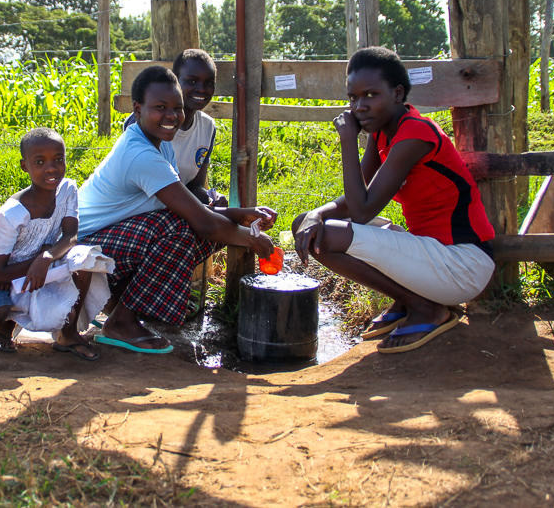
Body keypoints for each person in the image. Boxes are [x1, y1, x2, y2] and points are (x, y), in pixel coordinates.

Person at [292, 46, 496, 354]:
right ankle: (408, 299)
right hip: (430, 257)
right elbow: (353, 200)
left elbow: (360, 213)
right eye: (353, 98)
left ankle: (426, 308)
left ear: (398, 93)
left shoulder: (416, 133)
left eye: (371, 95)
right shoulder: (383, 134)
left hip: (462, 265)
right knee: (307, 224)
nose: (359, 106)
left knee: (330, 235)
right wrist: (315, 214)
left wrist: (348, 140)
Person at [79, 65, 277, 354]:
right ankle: (122, 321)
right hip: (84, 250)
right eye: (160, 108)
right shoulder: (141, 154)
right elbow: (201, 221)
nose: (172, 116)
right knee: (178, 228)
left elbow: (191, 209)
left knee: (184, 227)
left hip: (110, 239)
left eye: (177, 108)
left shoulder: (160, 144)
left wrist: (241, 213)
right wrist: (251, 238)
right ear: (137, 109)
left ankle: (122, 309)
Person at [0, 127, 109, 360]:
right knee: (5, 305)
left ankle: (68, 333)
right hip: (17, 281)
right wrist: (36, 262)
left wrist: (46, 258)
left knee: (85, 258)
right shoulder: (11, 214)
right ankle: (4, 327)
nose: (51, 168)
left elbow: (70, 236)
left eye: (58, 160)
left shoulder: (67, 189)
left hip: (47, 267)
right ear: (25, 166)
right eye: (40, 162)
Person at [124, 49, 226, 205]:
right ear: (175, 81)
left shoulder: (207, 127)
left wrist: (210, 198)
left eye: (208, 83)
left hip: (176, 209)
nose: (201, 89)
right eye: (192, 81)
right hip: (137, 208)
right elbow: (142, 188)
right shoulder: (146, 121)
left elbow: (193, 186)